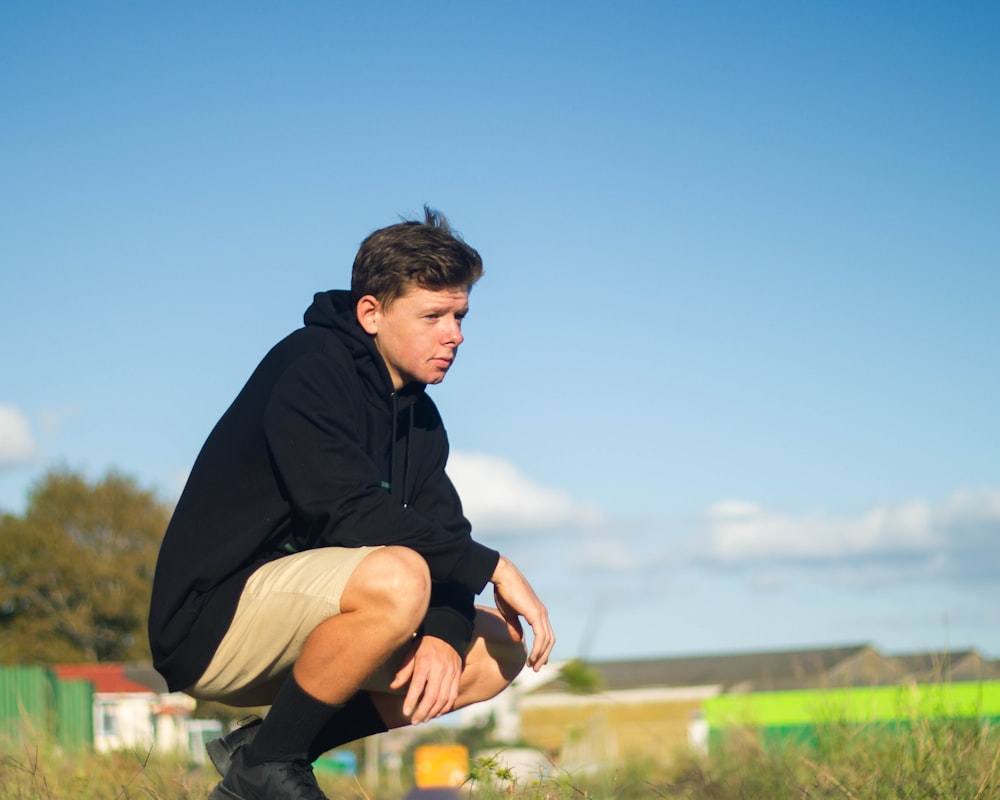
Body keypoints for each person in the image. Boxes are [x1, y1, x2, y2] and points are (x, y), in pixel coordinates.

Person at [147, 208, 555, 800]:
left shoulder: (419, 418)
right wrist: (495, 566)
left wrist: (443, 632)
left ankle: (264, 754)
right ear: (372, 312)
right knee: (400, 575)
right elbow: (346, 511)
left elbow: (441, 529)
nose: (455, 335)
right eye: (433, 315)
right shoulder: (310, 366)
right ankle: (272, 763)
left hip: (313, 620)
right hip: (214, 624)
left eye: (460, 316)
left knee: (499, 646)